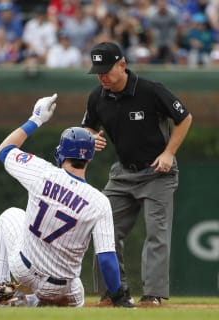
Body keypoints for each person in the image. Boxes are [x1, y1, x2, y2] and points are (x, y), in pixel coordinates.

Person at [0, 94, 134, 307]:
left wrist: (36, 119)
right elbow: (107, 258)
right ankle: (31, 301)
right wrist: (119, 297)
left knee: (9, 215)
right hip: (61, 288)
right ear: (90, 157)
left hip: (23, 269)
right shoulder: (99, 201)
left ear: (61, 153)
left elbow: (5, 149)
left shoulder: (42, 172)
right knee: (78, 292)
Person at [82, 41, 193, 306]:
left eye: (106, 70)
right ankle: (114, 292)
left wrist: (169, 153)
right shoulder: (98, 96)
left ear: (122, 65)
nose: (102, 76)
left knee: (156, 235)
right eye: (98, 71)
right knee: (103, 229)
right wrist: (91, 138)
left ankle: (152, 295)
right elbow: (87, 126)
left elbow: (185, 118)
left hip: (157, 173)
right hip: (122, 174)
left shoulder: (151, 90)